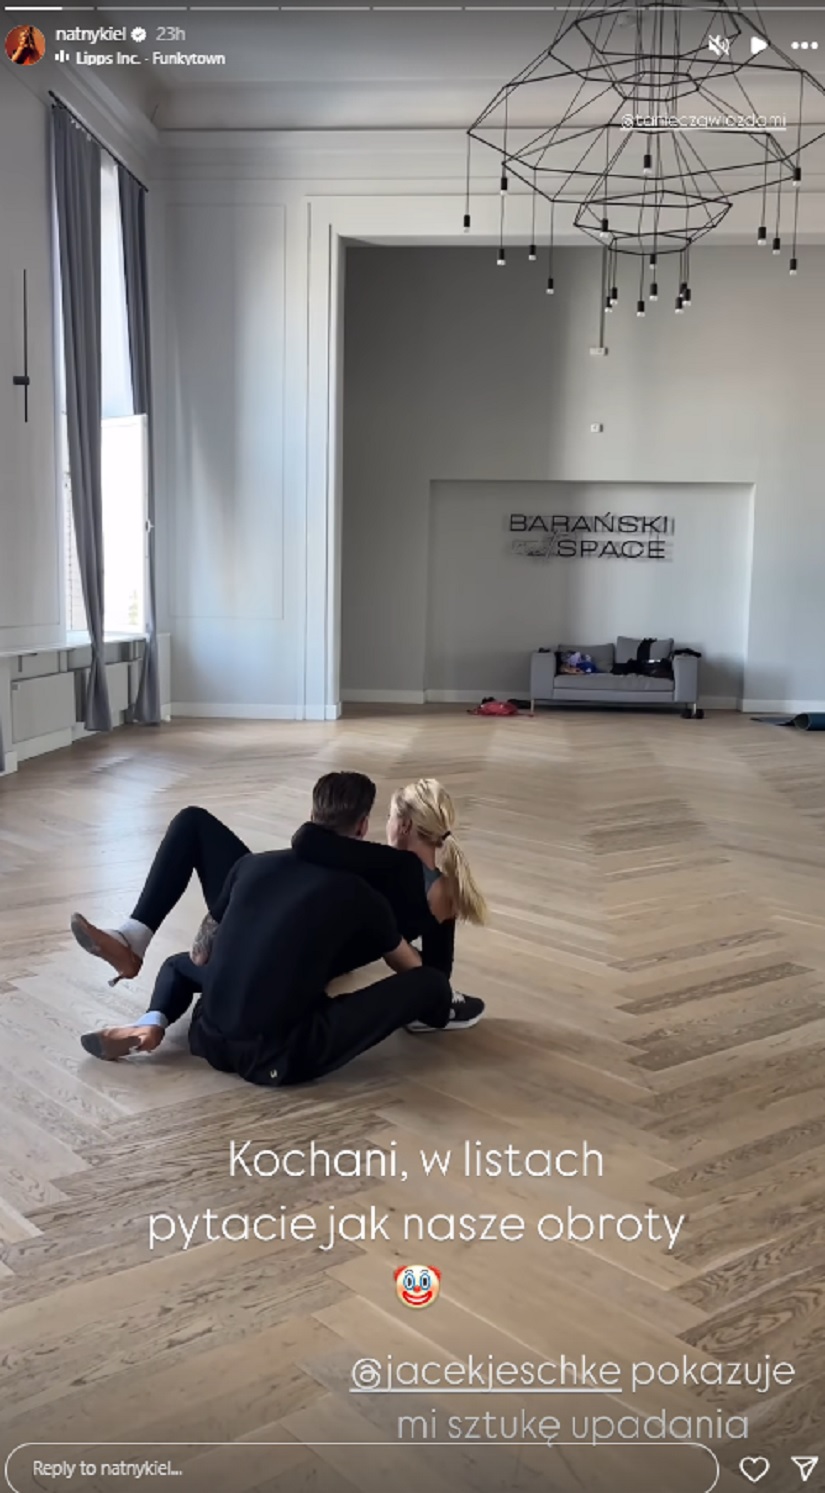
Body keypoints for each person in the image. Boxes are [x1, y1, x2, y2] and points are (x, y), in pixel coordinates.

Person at [78, 778, 485, 1087]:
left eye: (392, 818)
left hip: (260, 966)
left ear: (403, 825)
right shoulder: (424, 888)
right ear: (362, 826)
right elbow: (429, 970)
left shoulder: (365, 866)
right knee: (423, 981)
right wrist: (436, 994)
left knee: (194, 827)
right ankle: (135, 949)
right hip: (294, 1000)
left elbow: (308, 841)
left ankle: (142, 970)